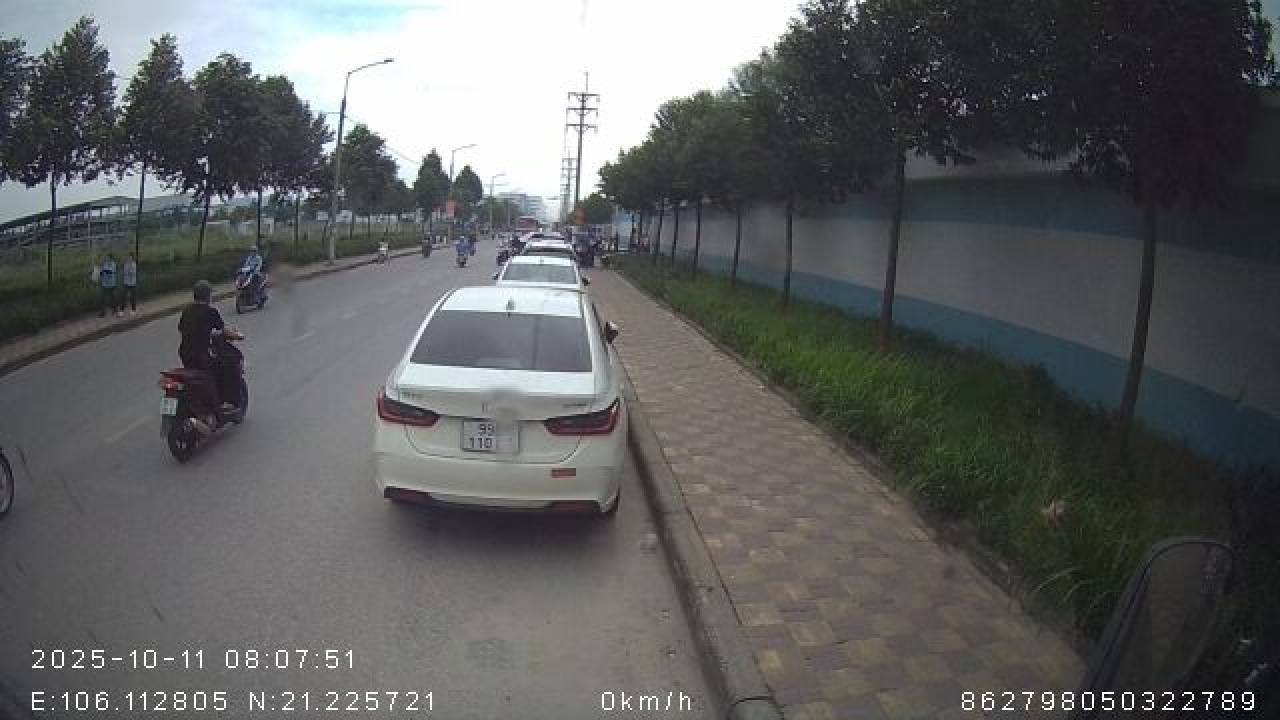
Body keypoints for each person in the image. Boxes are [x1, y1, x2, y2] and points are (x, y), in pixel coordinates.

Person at [178, 281, 234, 418]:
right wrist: (237, 335)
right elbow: (223, 330)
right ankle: (217, 411)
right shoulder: (210, 311)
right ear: (207, 296)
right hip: (200, 354)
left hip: (185, 353)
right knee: (214, 375)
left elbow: (181, 329)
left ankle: (199, 403)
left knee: (196, 377)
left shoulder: (187, 310)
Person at [98, 253, 118, 318]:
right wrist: (99, 273)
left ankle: (115, 309)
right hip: (105, 284)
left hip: (111, 284)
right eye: (106, 258)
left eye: (108, 257)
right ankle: (103, 312)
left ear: (111, 258)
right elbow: (102, 273)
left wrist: (103, 270)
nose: (106, 259)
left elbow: (110, 272)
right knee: (102, 298)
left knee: (112, 298)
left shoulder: (113, 264)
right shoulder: (105, 264)